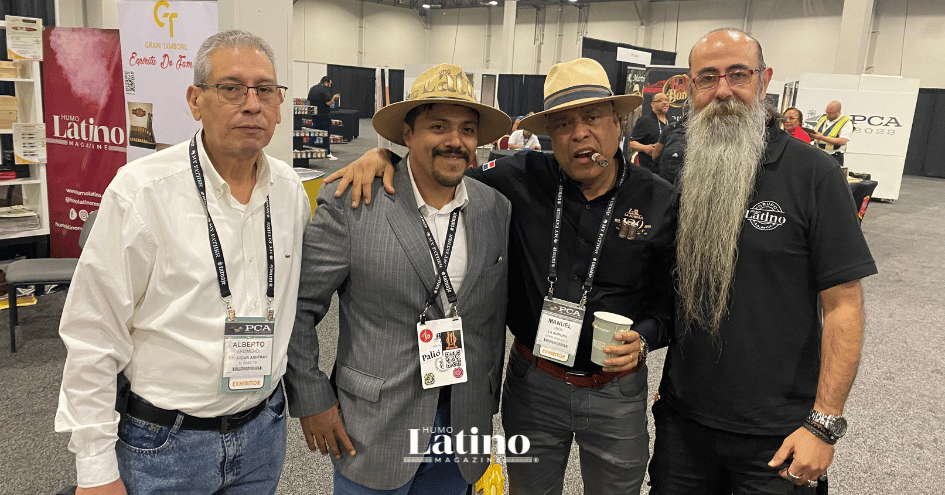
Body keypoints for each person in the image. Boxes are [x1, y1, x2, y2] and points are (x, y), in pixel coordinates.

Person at [328, 58, 676, 495]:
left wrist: (644, 339)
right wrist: (383, 157)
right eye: (563, 124)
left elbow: (671, 301)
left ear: (618, 122)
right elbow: (441, 170)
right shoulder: (518, 177)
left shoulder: (660, 200)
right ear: (549, 133)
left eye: (592, 118)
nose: (579, 134)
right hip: (535, 385)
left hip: (616, 391)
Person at [55, 30, 310, 495]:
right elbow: (93, 333)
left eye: (265, 90)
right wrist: (95, 470)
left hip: (264, 431)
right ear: (195, 101)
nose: (252, 105)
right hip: (165, 443)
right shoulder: (142, 192)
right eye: (232, 88)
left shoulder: (291, 193)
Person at [648, 28, 877, 494]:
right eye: (708, 77)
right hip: (684, 424)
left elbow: (844, 306)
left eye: (738, 74)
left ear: (765, 79)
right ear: (690, 87)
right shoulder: (685, 169)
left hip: (779, 434)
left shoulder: (814, 174)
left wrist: (824, 424)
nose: (723, 90)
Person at [284, 63, 512, 495]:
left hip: (460, 424)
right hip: (373, 426)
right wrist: (312, 398)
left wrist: (487, 400)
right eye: (438, 126)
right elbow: (298, 308)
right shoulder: (355, 202)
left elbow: (490, 316)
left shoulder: (494, 208)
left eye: (467, 129)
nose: (455, 140)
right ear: (406, 134)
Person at [628, 92, 670, 174]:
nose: (664, 102)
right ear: (652, 104)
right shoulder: (645, 121)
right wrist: (645, 148)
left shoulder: (672, 122)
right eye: (660, 100)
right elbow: (631, 143)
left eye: (666, 100)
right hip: (650, 170)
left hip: (668, 170)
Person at [810, 100, 853, 165]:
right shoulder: (822, 119)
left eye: (830, 113)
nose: (827, 115)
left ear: (838, 111)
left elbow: (842, 141)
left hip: (834, 156)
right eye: (827, 112)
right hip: (818, 154)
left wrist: (822, 138)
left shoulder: (846, 122)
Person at [308, 75, 340, 160]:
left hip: (315, 114)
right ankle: (327, 152)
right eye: (329, 84)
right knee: (326, 134)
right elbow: (328, 103)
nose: (330, 86)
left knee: (314, 132)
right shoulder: (324, 90)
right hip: (324, 115)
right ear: (326, 83)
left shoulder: (313, 88)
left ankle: (309, 148)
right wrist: (334, 98)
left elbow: (308, 102)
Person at [655, 116, 687, 185]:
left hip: (666, 177)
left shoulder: (669, 128)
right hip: (685, 178)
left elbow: (655, 155)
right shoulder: (699, 130)